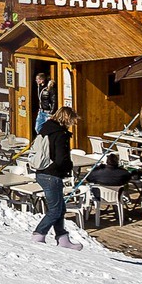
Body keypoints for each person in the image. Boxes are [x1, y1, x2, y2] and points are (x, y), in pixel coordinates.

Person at [31, 106, 81, 249]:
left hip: (41, 172)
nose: (72, 124)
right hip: (52, 175)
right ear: (67, 119)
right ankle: (39, 234)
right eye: (72, 121)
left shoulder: (45, 129)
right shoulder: (60, 134)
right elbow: (61, 158)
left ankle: (62, 238)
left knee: (60, 208)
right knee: (55, 210)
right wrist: (68, 167)